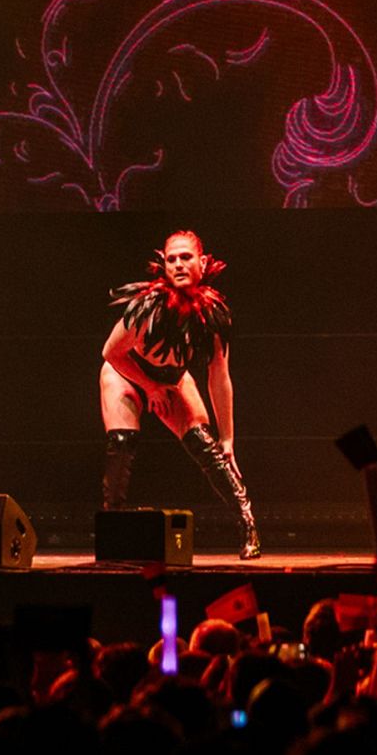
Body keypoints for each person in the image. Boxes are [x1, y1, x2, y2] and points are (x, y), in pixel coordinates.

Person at [99, 230, 260, 559]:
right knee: (122, 442)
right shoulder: (147, 308)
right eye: (171, 259)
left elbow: (219, 376)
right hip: (126, 373)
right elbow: (111, 353)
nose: (178, 264)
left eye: (186, 257)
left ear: (203, 262)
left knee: (209, 448)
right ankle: (113, 528)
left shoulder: (213, 316)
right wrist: (150, 387)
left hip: (172, 379)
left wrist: (228, 438)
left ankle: (248, 527)